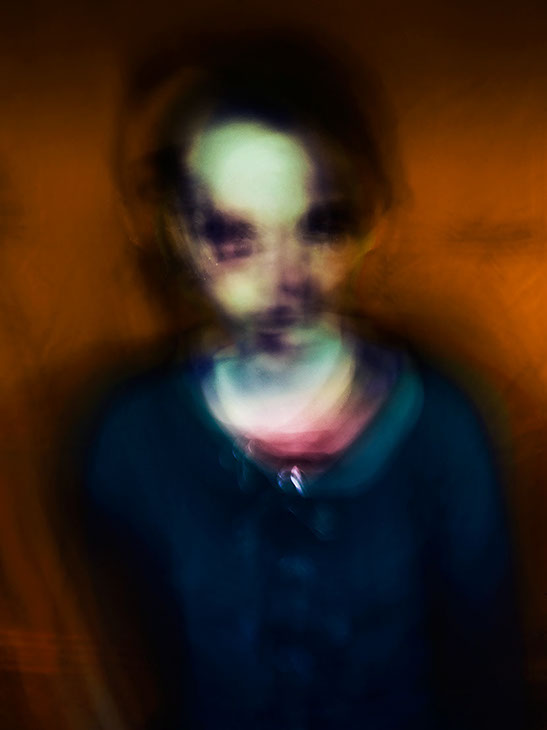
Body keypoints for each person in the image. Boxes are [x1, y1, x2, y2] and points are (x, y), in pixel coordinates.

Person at [83, 30, 524, 730]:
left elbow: (490, 673)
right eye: (234, 237)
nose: (284, 279)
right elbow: (125, 664)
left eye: (320, 225)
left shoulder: (444, 423)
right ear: (177, 234)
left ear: (373, 221)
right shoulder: (127, 437)